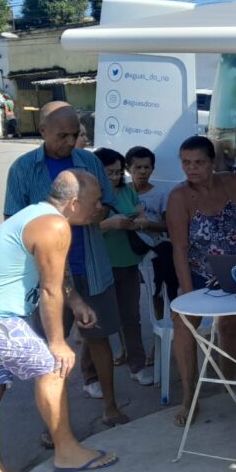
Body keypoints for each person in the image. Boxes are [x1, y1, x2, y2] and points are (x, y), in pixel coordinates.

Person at [0, 170, 118, 472]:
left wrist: (76, 301)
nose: (100, 209)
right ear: (75, 202)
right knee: (52, 365)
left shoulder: (37, 215)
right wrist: (57, 342)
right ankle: (66, 452)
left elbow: (54, 275)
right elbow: (50, 291)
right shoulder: (55, 226)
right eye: (95, 202)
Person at [4, 102, 127, 426]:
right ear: (42, 131)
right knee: (50, 351)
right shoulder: (23, 169)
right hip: (48, 275)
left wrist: (99, 213)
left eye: (75, 134)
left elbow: (109, 205)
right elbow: (12, 220)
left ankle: (111, 407)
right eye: (62, 135)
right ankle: (55, 427)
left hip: (92, 267)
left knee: (99, 338)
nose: (70, 141)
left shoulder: (89, 161)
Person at [165, 135, 236, 426]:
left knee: (230, 324)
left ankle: (227, 382)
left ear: (212, 162)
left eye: (199, 163)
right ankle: (189, 395)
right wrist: (188, 294)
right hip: (199, 271)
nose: (191, 169)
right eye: (186, 163)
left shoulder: (231, 183)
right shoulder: (179, 197)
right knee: (182, 322)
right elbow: (178, 248)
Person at [93, 148, 153, 386]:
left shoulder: (128, 191)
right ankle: (91, 376)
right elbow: (80, 233)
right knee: (97, 324)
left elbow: (141, 215)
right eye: (110, 173)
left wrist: (136, 223)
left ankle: (136, 366)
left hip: (129, 263)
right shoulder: (90, 196)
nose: (115, 177)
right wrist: (109, 223)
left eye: (119, 172)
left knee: (131, 318)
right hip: (101, 266)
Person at [126, 145, 178, 323]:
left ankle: (160, 337)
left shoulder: (162, 193)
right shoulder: (122, 192)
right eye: (137, 167)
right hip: (127, 252)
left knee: (157, 294)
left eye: (146, 167)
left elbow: (168, 226)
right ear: (128, 169)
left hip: (155, 253)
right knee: (129, 299)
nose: (142, 172)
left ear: (152, 169)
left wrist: (147, 224)